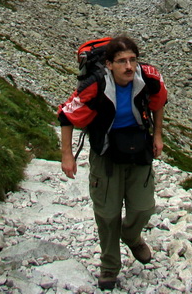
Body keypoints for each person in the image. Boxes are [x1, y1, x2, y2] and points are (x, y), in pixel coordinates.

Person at [58, 35, 168, 291]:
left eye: (132, 60)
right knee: (107, 215)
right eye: (121, 61)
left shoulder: (148, 78)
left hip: (139, 150)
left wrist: (159, 135)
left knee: (143, 208)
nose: (129, 66)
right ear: (109, 64)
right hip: (106, 154)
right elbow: (66, 115)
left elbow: (159, 102)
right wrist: (67, 155)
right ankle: (109, 267)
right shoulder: (94, 86)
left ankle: (130, 235)